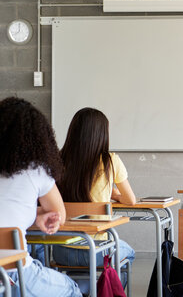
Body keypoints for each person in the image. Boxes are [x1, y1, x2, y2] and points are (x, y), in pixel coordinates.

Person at [0, 97, 82, 297]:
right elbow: (57, 214)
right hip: (13, 273)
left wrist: (34, 215)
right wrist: (39, 215)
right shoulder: (36, 171)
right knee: (72, 290)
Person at [53, 108, 136, 274]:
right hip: (97, 251)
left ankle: (82, 290)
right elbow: (130, 200)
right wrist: (115, 195)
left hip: (61, 251)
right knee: (130, 253)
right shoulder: (110, 161)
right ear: (102, 134)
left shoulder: (57, 159)